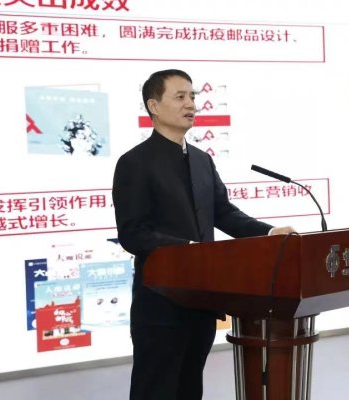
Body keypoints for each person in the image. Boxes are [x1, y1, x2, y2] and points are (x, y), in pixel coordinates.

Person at [112, 69, 295, 400]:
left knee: (189, 388)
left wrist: (269, 232)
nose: (191, 104)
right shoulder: (134, 163)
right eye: (180, 97)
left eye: (193, 96)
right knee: (155, 390)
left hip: (202, 300)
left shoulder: (201, 160)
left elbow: (224, 213)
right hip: (160, 303)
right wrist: (190, 249)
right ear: (154, 106)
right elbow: (133, 234)